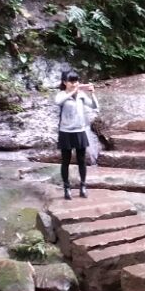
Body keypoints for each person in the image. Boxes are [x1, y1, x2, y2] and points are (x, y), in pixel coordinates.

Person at [54, 70, 99, 200]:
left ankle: (83, 186)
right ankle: (66, 188)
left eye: (76, 81)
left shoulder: (81, 95)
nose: (74, 84)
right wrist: (74, 91)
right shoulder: (61, 94)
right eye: (71, 81)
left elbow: (94, 106)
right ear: (64, 82)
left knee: (81, 161)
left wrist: (92, 93)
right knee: (66, 161)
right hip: (66, 132)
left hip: (79, 131)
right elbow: (58, 102)